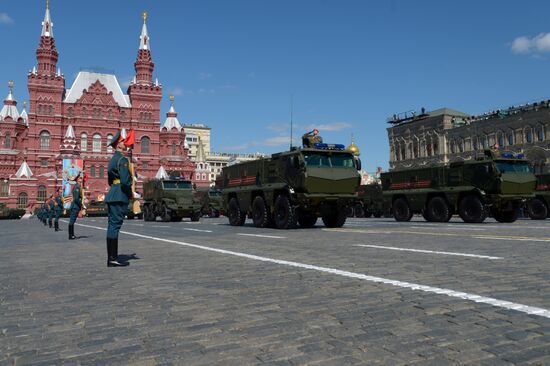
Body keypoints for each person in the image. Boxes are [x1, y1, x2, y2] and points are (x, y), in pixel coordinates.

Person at [104, 130, 132, 267]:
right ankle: (112, 259)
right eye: (122, 141)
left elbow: (110, 180)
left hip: (113, 193)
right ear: (118, 145)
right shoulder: (122, 160)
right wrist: (130, 193)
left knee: (111, 226)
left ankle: (111, 257)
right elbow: (126, 181)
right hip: (120, 194)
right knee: (115, 226)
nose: (125, 143)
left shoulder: (112, 160)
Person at [68, 175, 83, 240]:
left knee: (72, 221)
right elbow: (77, 199)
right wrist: (81, 205)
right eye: (80, 181)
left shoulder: (76, 187)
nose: (81, 183)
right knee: (72, 221)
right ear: (77, 181)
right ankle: (71, 235)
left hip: (75, 206)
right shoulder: (77, 187)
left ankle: (71, 235)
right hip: (75, 207)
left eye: (81, 181)